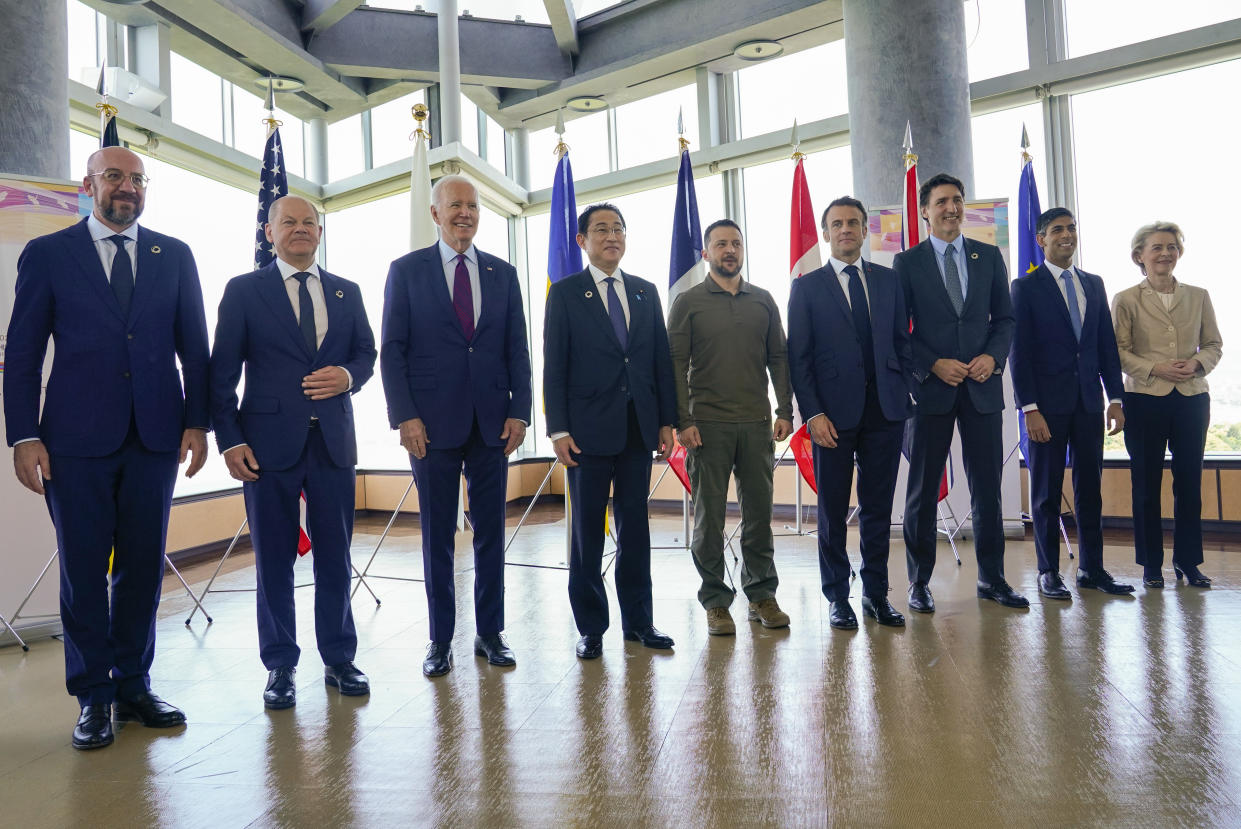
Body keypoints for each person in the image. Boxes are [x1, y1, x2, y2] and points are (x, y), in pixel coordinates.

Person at [4, 146, 209, 749]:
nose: (127, 187)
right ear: (88, 184)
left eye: (137, 179)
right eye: (114, 177)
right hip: (73, 442)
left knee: (143, 570)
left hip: (155, 440)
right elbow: (21, 353)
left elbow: (194, 349)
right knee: (85, 572)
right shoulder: (48, 253)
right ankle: (93, 694)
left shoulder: (173, 255)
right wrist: (24, 433)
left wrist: (197, 423)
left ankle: (133, 686)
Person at [210, 195, 377, 708]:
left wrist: (347, 376)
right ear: (269, 231)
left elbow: (366, 354)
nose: (300, 229)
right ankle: (280, 665)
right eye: (289, 222)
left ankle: (340, 658)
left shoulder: (346, 292)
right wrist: (231, 439)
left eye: (310, 223)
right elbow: (221, 375)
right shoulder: (244, 291)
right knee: (274, 562)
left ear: (320, 233)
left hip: (332, 445)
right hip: (265, 449)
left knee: (336, 556)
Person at [380, 175, 532, 677]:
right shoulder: (405, 272)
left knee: (491, 531)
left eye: (471, 205)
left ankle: (490, 632)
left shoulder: (503, 273)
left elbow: (517, 351)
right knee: (437, 534)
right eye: (454, 205)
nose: (464, 213)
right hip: (430, 427)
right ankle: (440, 639)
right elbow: (393, 351)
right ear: (435, 213)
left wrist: (521, 411)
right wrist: (404, 416)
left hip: (492, 424)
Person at [543, 203, 678, 659]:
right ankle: (591, 627)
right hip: (585, 432)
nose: (611, 236)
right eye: (601, 230)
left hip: (639, 430)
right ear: (583, 240)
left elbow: (661, 360)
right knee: (587, 535)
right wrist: (557, 428)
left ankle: (639, 622)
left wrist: (666, 420)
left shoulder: (645, 291)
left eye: (618, 228)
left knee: (635, 530)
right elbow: (554, 366)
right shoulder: (565, 293)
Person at [896, 172, 1027, 612]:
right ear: (925, 211)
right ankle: (919, 583)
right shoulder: (908, 263)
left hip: (982, 389)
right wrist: (932, 363)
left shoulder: (988, 256)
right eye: (941, 202)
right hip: (931, 392)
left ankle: (992, 579)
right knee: (923, 491)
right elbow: (900, 332)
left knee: (987, 490)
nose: (951, 208)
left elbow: (1004, 321)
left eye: (957, 200)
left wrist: (993, 358)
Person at [788, 196, 914, 630]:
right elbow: (798, 359)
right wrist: (813, 414)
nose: (846, 229)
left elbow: (901, 341)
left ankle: (876, 594)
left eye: (854, 223)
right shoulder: (807, 287)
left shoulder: (888, 281)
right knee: (833, 511)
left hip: (886, 412)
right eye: (837, 223)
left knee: (878, 508)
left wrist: (904, 392)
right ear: (825, 233)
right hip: (832, 420)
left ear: (865, 231)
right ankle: (838, 597)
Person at [667, 219, 794, 636]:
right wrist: (683, 422)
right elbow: (675, 365)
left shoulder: (763, 301)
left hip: (758, 425)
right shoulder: (688, 302)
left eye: (736, 243)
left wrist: (785, 410)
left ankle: (761, 595)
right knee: (710, 520)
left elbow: (779, 357)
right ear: (706, 253)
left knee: (759, 516)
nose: (729, 250)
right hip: (708, 428)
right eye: (720, 244)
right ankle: (716, 601)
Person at [1009, 208, 1132, 599]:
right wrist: (1029, 408)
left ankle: (1092, 570)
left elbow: (1105, 349)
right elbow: (1020, 354)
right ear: (1042, 239)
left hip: (1089, 406)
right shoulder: (1025, 288)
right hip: (1046, 408)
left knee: (1089, 491)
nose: (1067, 235)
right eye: (1057, 230)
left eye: (1071, 228)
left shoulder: (1094, 284)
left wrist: (1115, 398)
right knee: (1046, 492)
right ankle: (1048, 572)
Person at [1112, 221, 1222, 589]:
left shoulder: (1199, 295)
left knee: (1189, 484)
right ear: (1139, 256)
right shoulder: (1125, 299)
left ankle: (1188, 563)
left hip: (1192, 399)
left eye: (1171, 246)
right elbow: (1118, 352)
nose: (1165, 253)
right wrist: (1155, 368)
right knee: (1145, 485)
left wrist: (1196, 364)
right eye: (1157, 247)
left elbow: (1213, 345)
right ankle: (1151, 565)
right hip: (1144, 400)